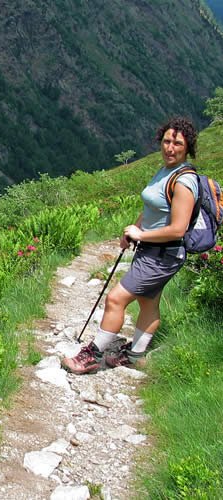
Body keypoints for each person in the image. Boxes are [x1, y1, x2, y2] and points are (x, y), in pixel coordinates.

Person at [62, 116, 200, 374]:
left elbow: (178, 228)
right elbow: (153, 208)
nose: (170, 148)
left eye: (177, 143)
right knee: (148, 302)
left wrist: (141, 234)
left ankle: (91, 356)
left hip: (163, 254)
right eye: (167, 141)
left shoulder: (184, 181)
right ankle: (135, 355)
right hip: (153, 250)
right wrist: (133, 231)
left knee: (116, 299)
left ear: (187, 147)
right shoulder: (165, 171)